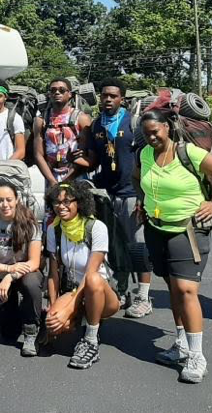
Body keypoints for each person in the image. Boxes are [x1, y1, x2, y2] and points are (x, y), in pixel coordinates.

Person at [134, 109, 212, 384]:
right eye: (146, 133)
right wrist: (142, 202)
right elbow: (137, 178)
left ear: (167, 127)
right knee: (172, 289)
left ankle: (197, 356)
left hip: (187, 231)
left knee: (186, 291)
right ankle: (181, 344)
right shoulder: (144, 154)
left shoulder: (188, 153)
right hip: (156, 230)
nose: (151, 136)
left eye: (155, 131)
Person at [74, 78, 153, 319]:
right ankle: (119, 290)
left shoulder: (134, 123)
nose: (108, 99)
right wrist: (77, 157)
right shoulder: (97, 124)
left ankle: (143, 296)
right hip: (106, 192)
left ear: (122, 99)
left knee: (136, 245)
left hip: (131, 192)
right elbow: (96, 160)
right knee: (110, 245)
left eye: (113, 96)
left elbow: (146, 158)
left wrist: (143, 196)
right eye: (104, 95)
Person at [43, 180, 121, 369]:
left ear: (79, 203)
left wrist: (69, 309)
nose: (61, 206)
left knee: (93, 279)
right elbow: (53, 273)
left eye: (67, 201)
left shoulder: (96, 227)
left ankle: (91, 340)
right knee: (53, 322)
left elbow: (90, 273)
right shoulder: (54, 228)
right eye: (57, 202)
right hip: (74, 291)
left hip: (101, 293)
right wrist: (55, 308)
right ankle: (82, 318)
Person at [0, 180, 43, 356]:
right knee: (9, 333)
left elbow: (34, 262)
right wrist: (7, 269)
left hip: (24, 273)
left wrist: (11, 275)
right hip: (0, 273)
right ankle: (27, 311)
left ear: (17, 199)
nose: (5, 204)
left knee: (31, 284)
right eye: (0, 200)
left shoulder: (29, 220)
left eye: (9, 199)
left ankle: (31, 329)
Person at [33, 78, 92, 188]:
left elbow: (85, 154)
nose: (57, 93)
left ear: (69, 94)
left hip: (75, 176)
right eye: (53, 90)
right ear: (49, 94)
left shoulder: (81, 118)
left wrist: (67, 180)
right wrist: (52, 181)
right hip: (51, 176)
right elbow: (38, 154)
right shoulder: (41, 120)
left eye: (62, 90)